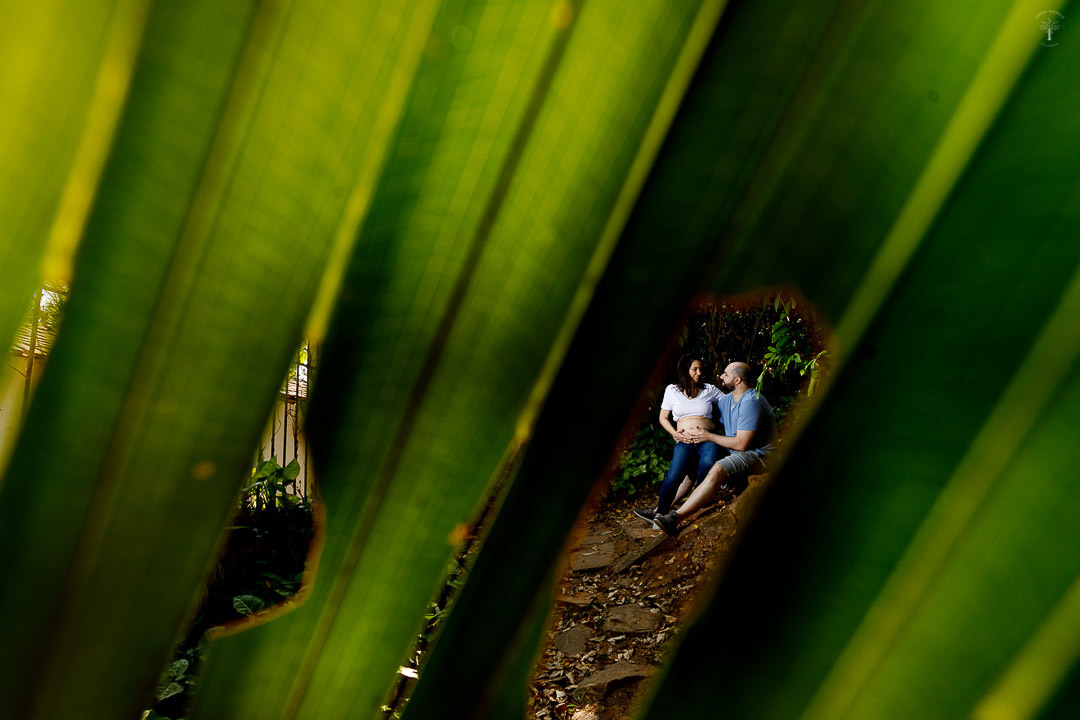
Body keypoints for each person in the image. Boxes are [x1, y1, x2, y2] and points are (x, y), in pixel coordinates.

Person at [651, 361, 775, 537]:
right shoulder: (727, 401)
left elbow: (741, 444)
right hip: (737, 451)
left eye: (725, 374)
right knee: (691, 462)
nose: (721, 376)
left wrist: (707, 436)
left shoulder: (751, 401)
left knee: (716, 468)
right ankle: (659, 508)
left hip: (758, 455)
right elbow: (706, 414)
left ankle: (674, 518)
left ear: (737, 380)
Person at [633, 354, 723, 524]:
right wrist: (674, 433)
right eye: (695, 369)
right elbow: (663, 417)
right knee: (674, 475)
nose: (699, 372)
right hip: (685, 441)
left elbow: (729, 403)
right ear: (685, 370)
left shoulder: (709, 389)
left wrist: (713, 426)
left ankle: (699, 499)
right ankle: (660, 513)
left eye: (700, 369)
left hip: (706, 439)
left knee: (708, 461)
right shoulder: (672, 390)